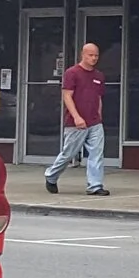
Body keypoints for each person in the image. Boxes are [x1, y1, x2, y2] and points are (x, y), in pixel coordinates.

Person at [45, 41, 110, 196]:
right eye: (90, 55)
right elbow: (67, 96)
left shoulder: (99, 76)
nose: (94, 58)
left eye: (96, 55)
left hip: (95, 122)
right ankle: (51, 176)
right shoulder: (72, 73)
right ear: (83, 54)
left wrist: (99, 115)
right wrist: (76, 117)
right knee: (69, 153)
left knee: (96, 154)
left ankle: (95, 186)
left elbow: (98, 97)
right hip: (76, 123)